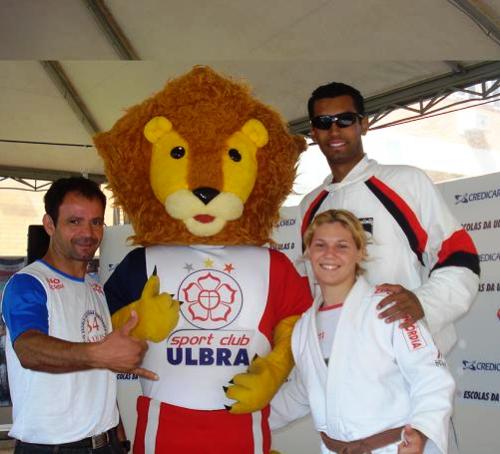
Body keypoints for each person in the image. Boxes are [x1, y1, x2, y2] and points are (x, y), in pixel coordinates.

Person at [299, 82, 480, 354]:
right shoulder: (309, 204)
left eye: (345, 119)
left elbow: (460, 257)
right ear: (314, 131)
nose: (334, 130)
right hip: (337, 359)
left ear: (363, 124)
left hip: (406, 359)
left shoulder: (406, 182)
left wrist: (424, 302)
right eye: (324, 122)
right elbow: (309, 282)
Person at [271, 209, 455, 453]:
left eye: (342, 246)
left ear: (360, 253)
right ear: (308, 252)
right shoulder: (304, 326)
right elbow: (305, 390)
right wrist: (245, 417)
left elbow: (432, 377)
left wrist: (421, 432)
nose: (330, 254)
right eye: (320, 245)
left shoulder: (388, 306)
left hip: (394, 448)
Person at [1, 177, 157, 453]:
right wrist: (99, 354)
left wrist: (118, 434)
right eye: (75, 221)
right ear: (50, 224)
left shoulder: (94, 285)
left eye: (96, 222)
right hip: (52, 447)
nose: (88, 233)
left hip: (105, 442)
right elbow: (28, 349)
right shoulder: (30, 284)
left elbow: (98, 376)